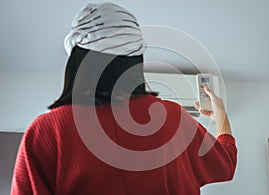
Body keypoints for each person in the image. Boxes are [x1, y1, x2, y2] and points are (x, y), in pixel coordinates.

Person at [11, 2, 237, 195]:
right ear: (135, 61)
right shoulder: (176, 121)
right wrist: (221, 114)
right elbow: (226, 163)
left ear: (78, 61)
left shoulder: (46, 132)